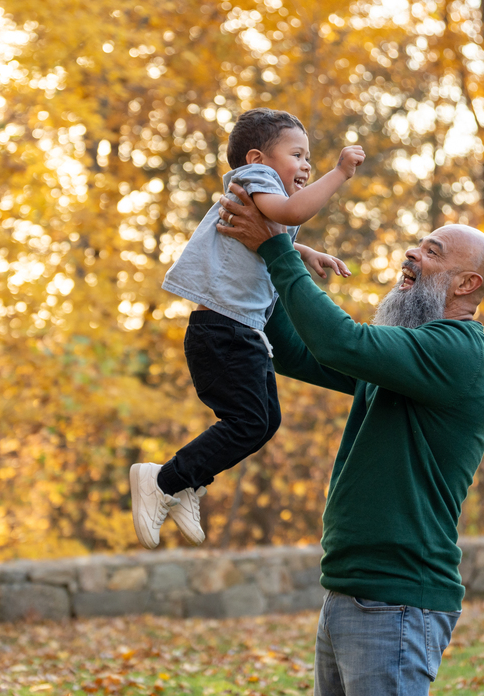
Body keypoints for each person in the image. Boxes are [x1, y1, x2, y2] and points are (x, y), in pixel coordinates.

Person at [216, 183, 484, 696]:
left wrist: (277, 250)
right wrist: (262, 264)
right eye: (419, 242)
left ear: (467, 283)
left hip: (397, 600)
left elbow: (340, 341)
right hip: (353, 592)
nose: (412, 252)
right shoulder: (407, 357)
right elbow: (303, 352)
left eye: (432, 251)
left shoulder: (458, 353)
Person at [130, 108, 365, 549]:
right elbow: (292, 213)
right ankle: (164, 480)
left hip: (236, 332)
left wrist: (305, 253)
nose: (307, 165)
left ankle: (184, 483)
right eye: (297, 154)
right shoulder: (256, 179)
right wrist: (337, 174)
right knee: (251, 421)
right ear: (258, 158)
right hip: (223, 332)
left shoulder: (260, 193)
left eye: (310, 158)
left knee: (262, 420)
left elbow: (275, 230)